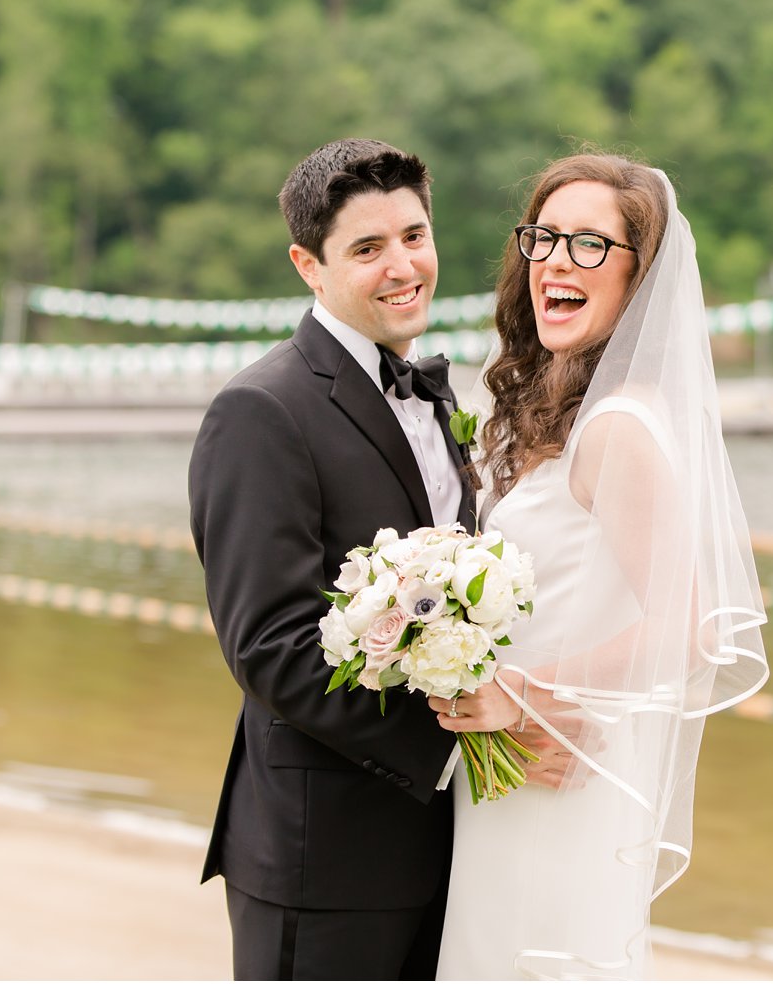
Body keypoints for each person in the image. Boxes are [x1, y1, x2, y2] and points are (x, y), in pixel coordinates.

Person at [425, 153, 770, 978]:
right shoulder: (563, 419)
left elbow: (686, 629)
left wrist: (518, 691)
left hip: (560, 772)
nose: (555, 262)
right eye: (543, 238)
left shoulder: (618, 427)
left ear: (637, 279)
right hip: (520, 765)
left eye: (589, 246)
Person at [188, 138, 478, 980]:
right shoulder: (259, 410)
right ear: (307, 266)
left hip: (450, 849)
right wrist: (454, 745)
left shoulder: (436, 393)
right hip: (324, 857)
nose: (404, 266)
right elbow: (270, 646)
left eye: (415, 236)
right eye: (368, 248)